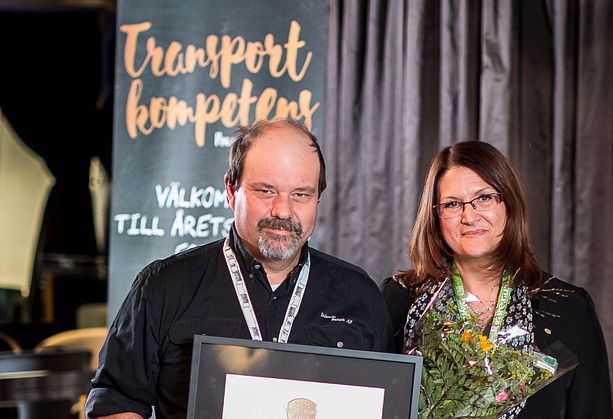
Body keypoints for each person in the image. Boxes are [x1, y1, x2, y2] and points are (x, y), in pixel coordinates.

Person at [86, 119, 394, 419]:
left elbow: (388, 404)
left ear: (317, 198)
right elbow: (115, 400)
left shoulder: (359, 295)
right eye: (266, 191)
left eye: (301, 194)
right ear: (232, 191)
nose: (283, 211)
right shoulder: (162, 287)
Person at [381, 141, 613, 418]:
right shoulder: (402, 300)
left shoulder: (567, 308)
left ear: (509, 203)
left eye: (484, 198)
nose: (469, 216)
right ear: (435, 216)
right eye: (452, 204)